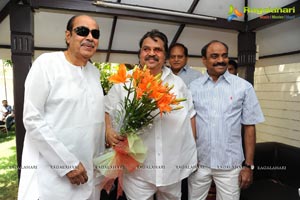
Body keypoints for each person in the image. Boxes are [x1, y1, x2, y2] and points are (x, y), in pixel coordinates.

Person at [18, 15, 105, 200]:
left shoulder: (94, 72)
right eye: (82, 31)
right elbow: (32, 118)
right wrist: (66, 164)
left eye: (95, 33)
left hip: (89, 176)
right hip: (54, 177)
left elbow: (97, 123)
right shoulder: (47, 64)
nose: (90, 37)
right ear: (68, 36)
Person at [105, 29, 197, 200]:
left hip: (172, 168)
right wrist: (109, 131)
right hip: (138, 170)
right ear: (140, 53)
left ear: (165, 55)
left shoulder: (178, 84)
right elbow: (107, 109)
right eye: (146, 49)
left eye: (158, 50)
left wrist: (191, 151)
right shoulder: (125, 81)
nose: (151, 54)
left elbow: (190, 116)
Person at [188, 40, 264, 200]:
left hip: (230, 166)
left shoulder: (244, 87)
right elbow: (188, 124)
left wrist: (248, 166)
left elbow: (250, 127)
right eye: (214, 56)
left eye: (224, 56)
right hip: (198, 163)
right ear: (204, 60)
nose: (221, 60)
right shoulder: (193, 88)